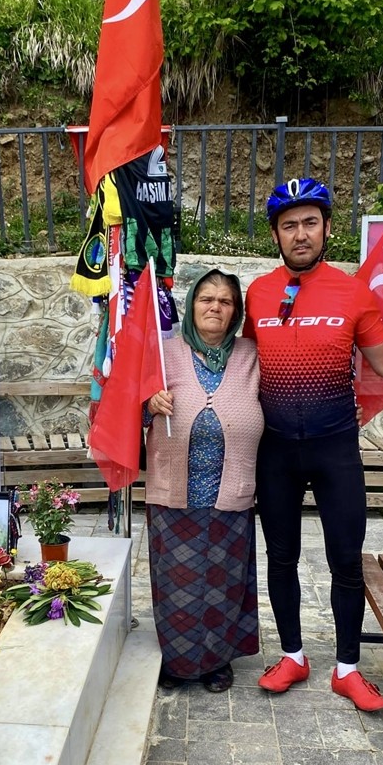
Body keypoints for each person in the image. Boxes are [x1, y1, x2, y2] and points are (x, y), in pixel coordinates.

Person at [243, 178, 383, 712]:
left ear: (327, 229)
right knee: (281, 558)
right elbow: (242, 365)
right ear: (275, 233)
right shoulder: (258, 293)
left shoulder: (353, 292)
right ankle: (293, 655)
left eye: (309, 222)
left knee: (345, 559)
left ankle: (347, 669)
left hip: (335, 446)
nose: (300, 233)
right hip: (275, 450)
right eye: (289, 224)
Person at [145, 267, 265, 693]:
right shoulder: (165, 352)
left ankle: (216, 662)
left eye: (226, 301)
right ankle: (177, 663)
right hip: (174, 490)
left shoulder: (252, 354)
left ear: (235, 313)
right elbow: (131, 407)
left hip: (230, 490)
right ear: (192, 304)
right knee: (177, 581)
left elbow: (286, 398)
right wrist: (151, 401)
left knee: (223, 582)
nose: (215, 307)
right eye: (206, 299)